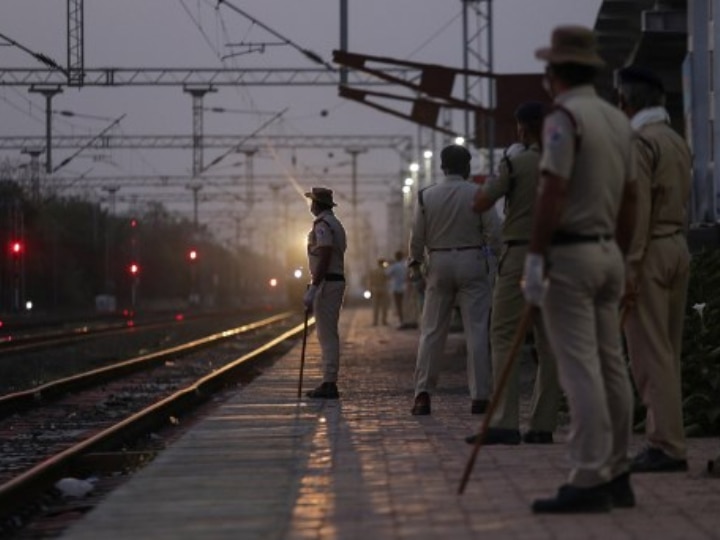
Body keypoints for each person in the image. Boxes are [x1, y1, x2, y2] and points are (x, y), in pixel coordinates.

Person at [522, 26, 638, 513]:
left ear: (554, 74)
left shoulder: (563, 119)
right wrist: (623, 255)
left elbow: (552, 193)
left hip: (570, 255)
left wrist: (534, 257)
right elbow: (632, 197)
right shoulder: (617, 120)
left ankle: (588, 477)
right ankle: (616, 471)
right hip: (609, 253)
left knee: (579, 367)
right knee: (611, 364)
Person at [465, 101, 561, 446]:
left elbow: (480, 202)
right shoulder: (568, 162)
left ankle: (505, 422)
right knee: (550, 342)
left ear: (522, 129)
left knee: (504, 335)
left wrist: (500, 173)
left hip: (521, 253)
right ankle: (543, 424)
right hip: (559, 257)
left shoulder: (515, 162)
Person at [617, 65, 692, 473]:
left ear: (625, 102)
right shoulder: (676, 140)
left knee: (648, 357)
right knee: (669, 353)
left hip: (648, 253)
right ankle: (670, 438)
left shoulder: (639, 144)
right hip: (677, 245)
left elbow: (637, 214)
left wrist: (629, 269)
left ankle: (666, 446)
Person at [409, 144, 501, 416]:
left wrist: (415, 263)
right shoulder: (478, 193)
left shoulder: (426, 196)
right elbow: (493, 233)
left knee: (432, 332)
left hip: (438, 262)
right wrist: (493, 259)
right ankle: (480, 397)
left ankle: (423, 394)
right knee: (476, 332)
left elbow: (417, 237)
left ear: (442, 167)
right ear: (467, 167)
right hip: (472, 261)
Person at [302, 187, 347, 399]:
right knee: (328, 333)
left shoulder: (322, 225)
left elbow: (325, 254)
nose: (311, 205)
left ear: (317, 204)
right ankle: (329, 380)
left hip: (327, 283)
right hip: (333, 281)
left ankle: (329, 383)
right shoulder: (335, 223)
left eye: (312, 202)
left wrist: (314, 286)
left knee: (326, 334)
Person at [386, 250, 407, 327]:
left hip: (396, 288)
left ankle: (401, 322)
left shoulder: (394, 266)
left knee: (398, 306)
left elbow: (387, 274)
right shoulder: (404, 265)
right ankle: (405, 320)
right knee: (403, 305)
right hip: (404, 287)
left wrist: (389, 265)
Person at [368, 258, 390, 325]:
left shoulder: (373, 271)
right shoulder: (384, 271)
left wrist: (370, 289)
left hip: (375, 289)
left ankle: (375, 321)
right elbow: (387, 279)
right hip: (383, 289)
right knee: (384, 306)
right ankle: (384, 321)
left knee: (375, 306)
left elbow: (370, 281)